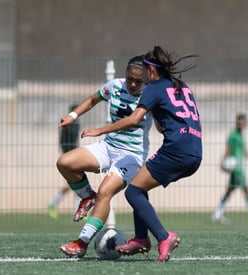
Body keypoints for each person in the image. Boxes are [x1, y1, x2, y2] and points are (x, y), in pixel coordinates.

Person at [81, 46, 202, 262]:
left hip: (176, 149)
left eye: (145, 71)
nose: (143, 77)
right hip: (195, 150)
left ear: (152, 71)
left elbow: (135, 119)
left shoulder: (153, 87)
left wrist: (99, 130)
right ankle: (140, 239)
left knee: (133, 192)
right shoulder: (181, 86)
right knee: (139, 184)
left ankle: (164, 237)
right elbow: (165, 124)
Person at [58, 55, 153, 258]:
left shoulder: (151, 95)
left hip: (131, 156)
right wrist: (72, 117)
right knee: (65, 162)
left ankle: (81, 243)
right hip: (108, 147)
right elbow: (93, 100)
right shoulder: (115, 86)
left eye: (139, 81)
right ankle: (87, 196)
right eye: (130, 79)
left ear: (146, 79)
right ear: (125, 75)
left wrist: (100, 129)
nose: (134, 84)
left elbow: (135, 122)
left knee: (105, 191)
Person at [212, 113, 248, 224]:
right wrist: (223, 162)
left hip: (238, 167)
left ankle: (217, 214)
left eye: (243, 122)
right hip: (237, 168)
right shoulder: (233, 135)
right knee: (247, 190)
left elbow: (244, 150)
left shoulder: (241, 135)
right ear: (237, 122)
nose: (242, 124)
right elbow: (228, 148)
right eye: (240, 122)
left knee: (229, 191)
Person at [48, 104, 80, 220]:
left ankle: (77, 209)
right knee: (77, 180)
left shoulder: (74, 123)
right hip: (70, 156)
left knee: (76, 181)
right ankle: (55, 203)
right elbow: (65, 141)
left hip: (73, 155)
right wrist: (67, 156)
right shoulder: (69, 123)